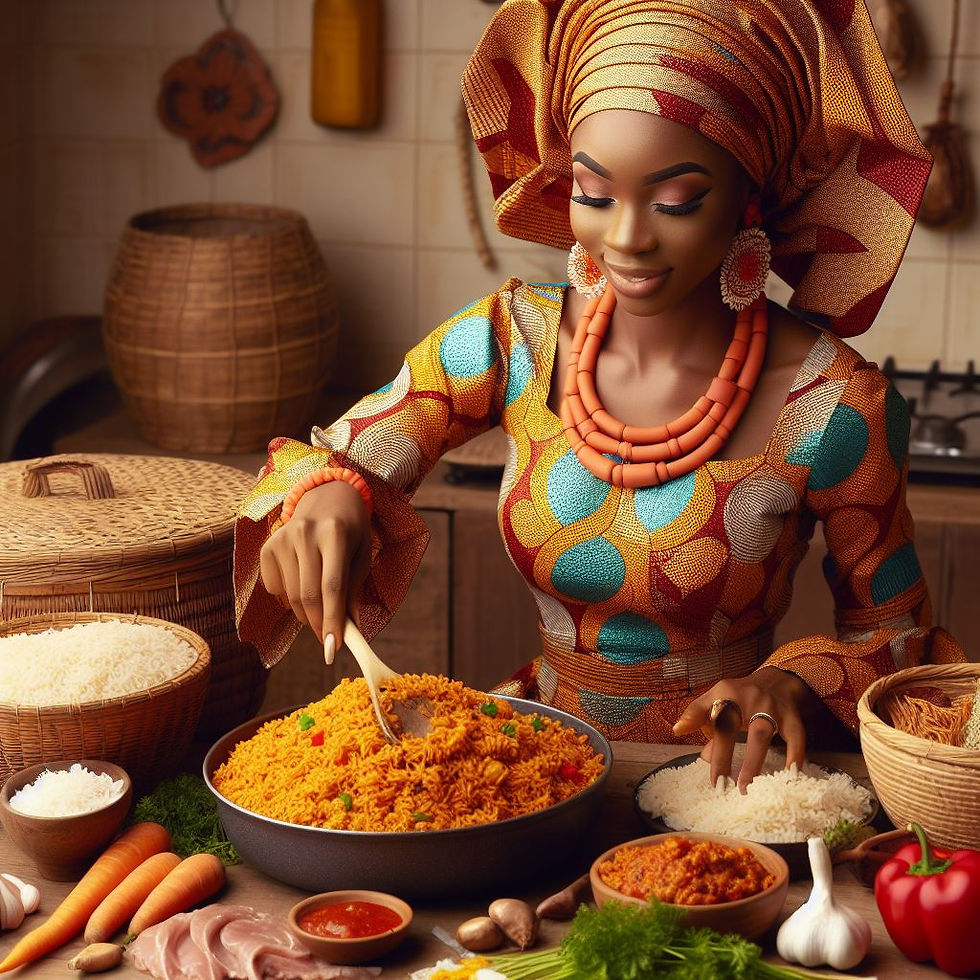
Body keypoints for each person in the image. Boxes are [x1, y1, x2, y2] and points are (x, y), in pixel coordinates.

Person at [234, 0, 965, 789]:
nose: (625, 237)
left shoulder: (835, 406)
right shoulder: (510, 340)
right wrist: (329, 497)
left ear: (748, 197)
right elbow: (331, 458)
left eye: (675, 199)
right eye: (593, 191)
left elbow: (894, 636)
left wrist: (786, 685)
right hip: (531, 769)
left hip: (722, 793)